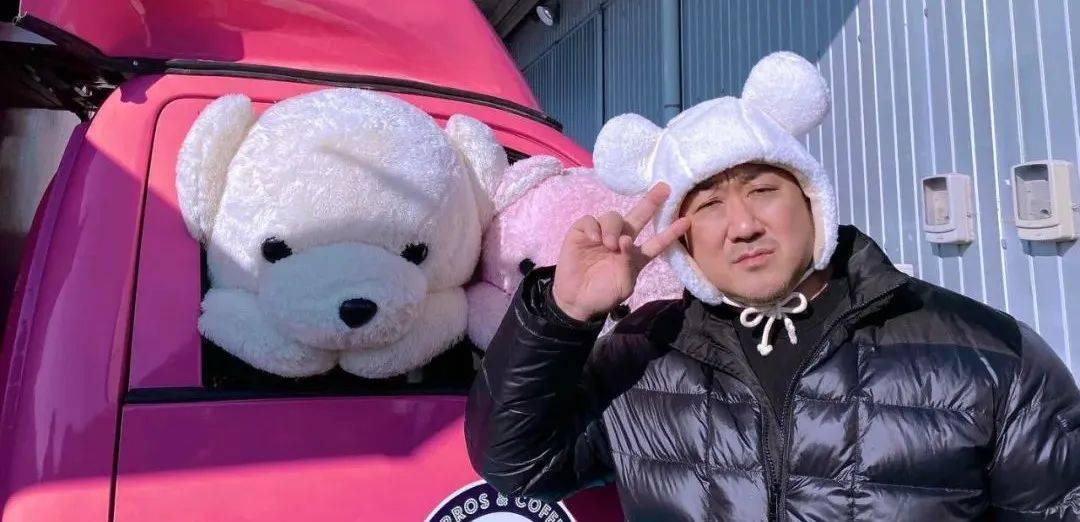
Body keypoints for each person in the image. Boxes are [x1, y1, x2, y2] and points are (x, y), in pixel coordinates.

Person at [465, 52, 1080, 521]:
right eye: (707, 205)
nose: (742, 225)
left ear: (812, 199)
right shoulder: (642, 354)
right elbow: (517, 465)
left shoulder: (990, 355)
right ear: (681, 239)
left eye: (763, 189)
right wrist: (563, 314)